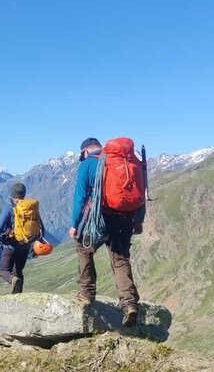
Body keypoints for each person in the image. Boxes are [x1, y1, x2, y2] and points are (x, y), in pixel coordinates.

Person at [69, 137, 145, 327]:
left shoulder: (88, 164)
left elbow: (80, 196)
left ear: (85, 150)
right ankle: (129, 304)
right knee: (120, 259)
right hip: (126, 217)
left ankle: (86, 293)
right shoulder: (129, 161)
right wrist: (139, 220)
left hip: (100, 217)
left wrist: (74, 224)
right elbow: (142, 192)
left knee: (84, 248)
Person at [0, 183, 45, 294]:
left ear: (12, 193)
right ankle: (18, 295)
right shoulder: (31, 208)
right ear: (24, 194)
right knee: (18, 271)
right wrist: (40, 242)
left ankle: (13, 280)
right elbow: (41, 227)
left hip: (10, 245)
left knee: (4, 271)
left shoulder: (9, 207)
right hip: (26, 245)